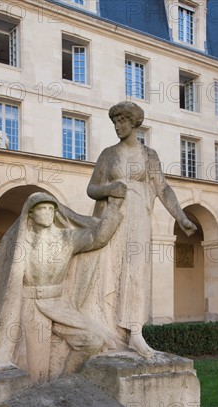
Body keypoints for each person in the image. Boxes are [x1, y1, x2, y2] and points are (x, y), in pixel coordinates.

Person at [0, 192, 122, 397]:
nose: (47, 213)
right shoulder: (21, 244)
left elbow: (98, 238)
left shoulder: (66, 238)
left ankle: (65, 383)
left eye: (51, 209)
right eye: (42, 209)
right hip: (31, 304)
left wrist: (113, 209)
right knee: (37, 369)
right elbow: (5, 279)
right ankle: (39, 402)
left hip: (59, 304)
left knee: (92, 340)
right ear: (31, 214)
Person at [75, 101, 197, 359]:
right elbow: (92, 188)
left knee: (135, 273)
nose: (118, 126)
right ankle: (108, 331)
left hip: (139, 218)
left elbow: (162, 187)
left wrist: (181, 216)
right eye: (115, 122)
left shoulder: (148, 155)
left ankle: (135, 333)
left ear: (134, 123)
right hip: (113, 220)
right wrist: (109, 189)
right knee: (110, 272)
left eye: (122, 121)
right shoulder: (108, 154)